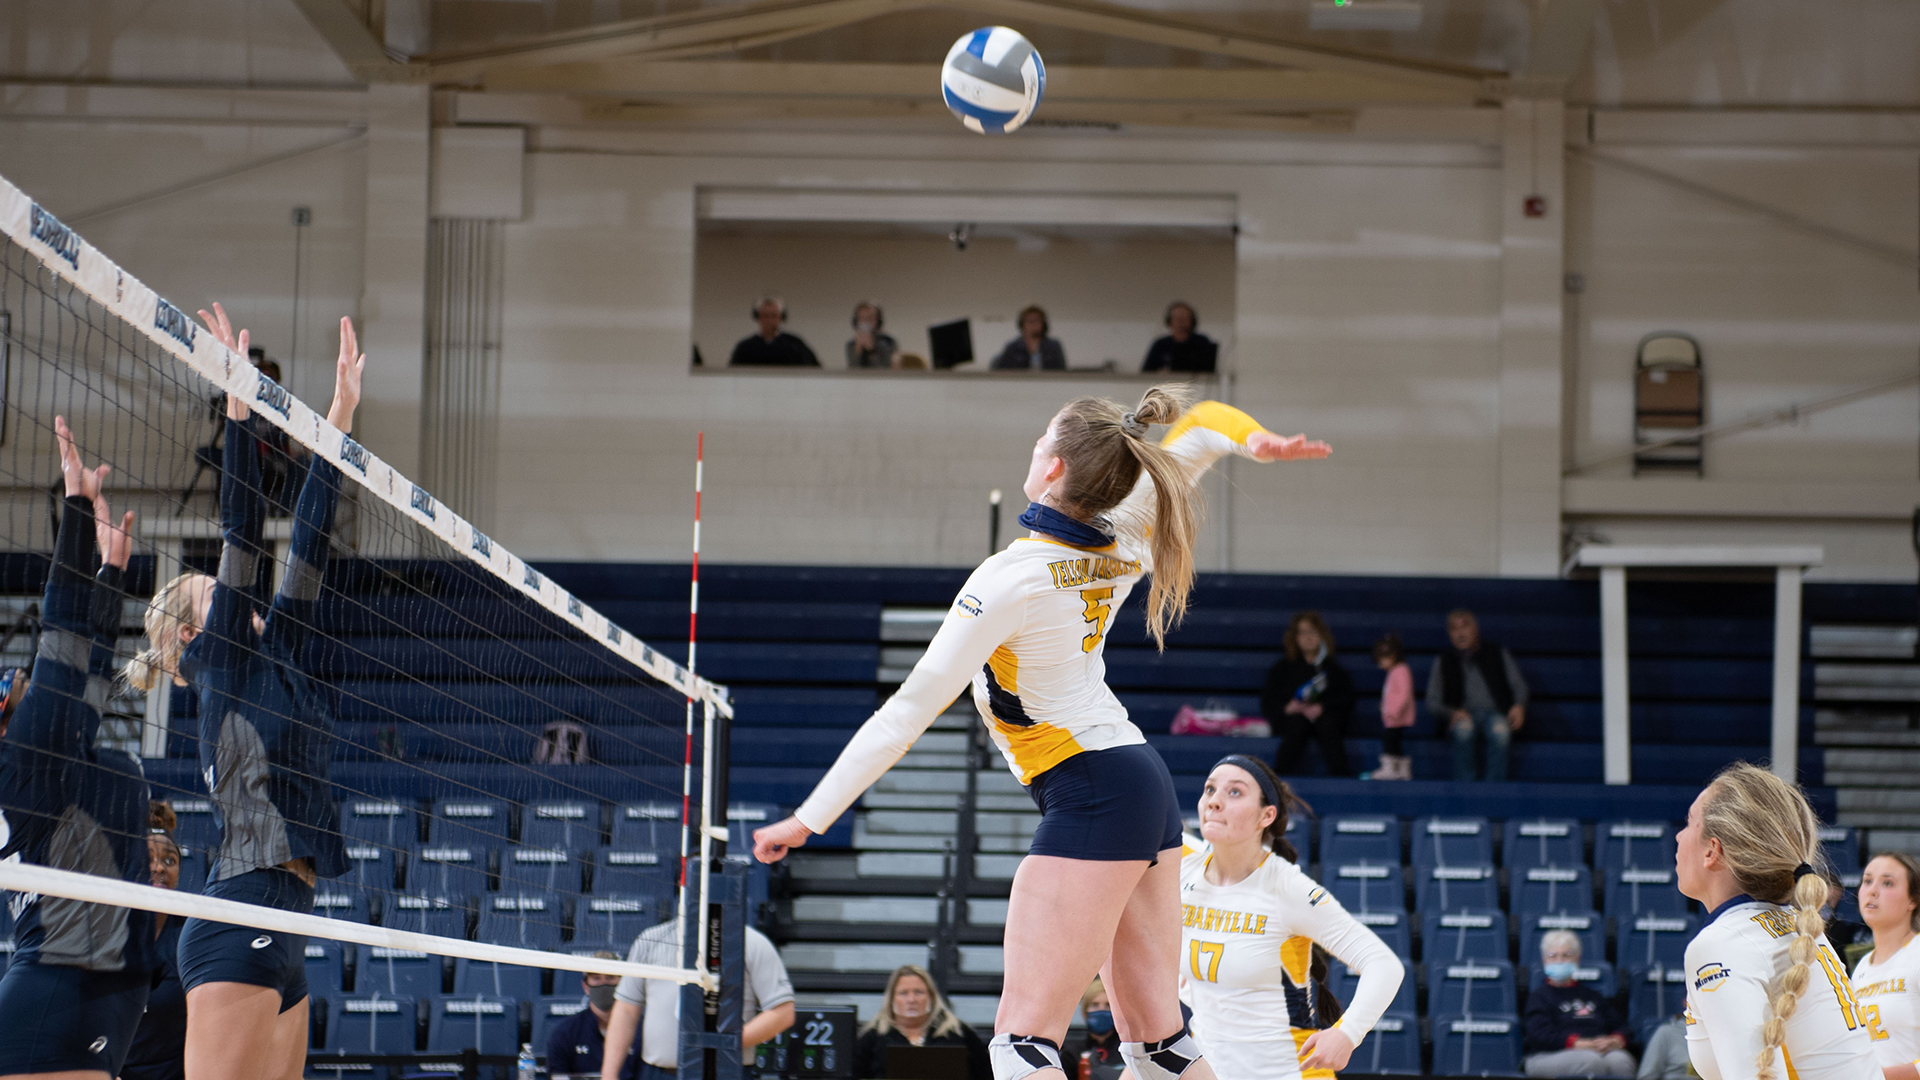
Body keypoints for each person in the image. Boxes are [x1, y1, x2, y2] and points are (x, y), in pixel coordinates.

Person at [750, 388, 1329, 1080]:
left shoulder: (1010, 579)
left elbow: (906, 713)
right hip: (1137, 781)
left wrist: (809, 818)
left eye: (1037, 442)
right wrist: (1255, 438)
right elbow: (1202, 430)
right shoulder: (1125, 533)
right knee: (1159, 1043)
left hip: (1090, 791)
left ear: (1054, 468)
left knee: (1022, 1044)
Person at [123, 304, 361, 1080]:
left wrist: (339, 418)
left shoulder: (278, 650)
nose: (243, 603)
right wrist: (236, 409)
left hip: (287, 916)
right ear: (192, 637)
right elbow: (242, 533)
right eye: (217, 600)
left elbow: (312, 539)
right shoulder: (220, 662)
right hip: (243, 912)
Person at [0, 417, 159, 1080]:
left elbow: (87, 674)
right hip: (61, 983)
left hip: (103, 985)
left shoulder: (53, 753)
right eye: (15, 690)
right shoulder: (23, 759)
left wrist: (111, 573)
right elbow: (62, 640)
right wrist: (70, 506)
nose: (26, 686)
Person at [1180, 755, 1403, 1080]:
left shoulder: (1286, 888)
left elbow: (1383, 964)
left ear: (1266, 816)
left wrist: (1348, 1033)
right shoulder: (1183, 868)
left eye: (1234, 793)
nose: (1214, 802)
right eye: (1210, 789)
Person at [1675, 762, 1879, 1080]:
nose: (1678, 835)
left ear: (1712, 851)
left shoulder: (1724, 942)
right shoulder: (1797, 925)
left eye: (1689, 823)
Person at [602, 916, 795, 1080]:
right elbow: (626, 1010)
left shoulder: (752, 942)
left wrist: (725, 1042)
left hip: (725, 1073)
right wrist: (608, 1077)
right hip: (660, 1073)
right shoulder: (651, 940)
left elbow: (783, 1013)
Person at [123, 803, 189, 1080]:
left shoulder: (191, 935)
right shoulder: (105, 933)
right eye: (148, 858)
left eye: (169, 860)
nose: (159, 867)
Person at [1425, 609, 1529, 782]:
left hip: (1496, 713)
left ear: (1476, 629)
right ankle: (1465, 790)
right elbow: (1431, 701)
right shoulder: (1443, 660)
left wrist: (1519, 706)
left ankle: (1493, 792)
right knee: (1463, 731)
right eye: (1454, 629)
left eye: (1464, 627)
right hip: (1463, 714)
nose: (1460, 633)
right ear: (1449, 634)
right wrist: (1451, 713)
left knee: (1501, 732)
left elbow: (1520, 687)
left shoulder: (1497, 652)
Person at [1522, 930, 1634, 1078]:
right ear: (1544, 961)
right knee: (1590, 1061)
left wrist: (1615, 1040)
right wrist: (1577, 1043)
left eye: (1566, 955)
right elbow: (1539, 1035)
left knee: (1621, 1061)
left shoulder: (1593, 996)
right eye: (1553, 956)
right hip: (1547, 1055)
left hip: (1595, 1050)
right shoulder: (1539, 997)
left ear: (1577, 959)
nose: (1559, 960)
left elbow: (1621, 1026)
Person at [1850, 852, 1920, 1080]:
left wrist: (1884, 1077)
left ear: (1913, 899)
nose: (1872, 890)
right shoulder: (1861, 968)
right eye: (1867, 881)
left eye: (1887, 883)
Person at [853, 965, 989, 1080]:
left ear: (931, 997)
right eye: (903, 993)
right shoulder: (872, 1038)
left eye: (918, 992)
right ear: (892, 998)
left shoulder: (958, 1034)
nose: (911, 999)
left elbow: (986, 1074)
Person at [1264, 613, 1353, 778]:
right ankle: (1278, 779)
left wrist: (1322, 707)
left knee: (1327, 725)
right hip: (1292, 721)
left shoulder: (1333, 670)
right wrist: (1288, 708)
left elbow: (1346, 700)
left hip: (1325, 721)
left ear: (1321, 635)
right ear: (1295, 637)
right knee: (1297, 724)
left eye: (1312, 631)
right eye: (1302, 632)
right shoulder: (1281, 669)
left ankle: (1342, 777)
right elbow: (1269, 702)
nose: (1308, 637)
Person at [546, 951, 637, 1080]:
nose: (603, 984)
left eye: (610, 978)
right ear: (586, 986)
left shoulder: (640, 1030)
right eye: (596, 978)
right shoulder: (565, 1032)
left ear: (622, 984)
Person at [1370, 633, 1414, 781]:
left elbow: (1404, 694)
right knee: (1394, 743)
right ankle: (1400, 770)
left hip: (1396, 717)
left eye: (1381, 660)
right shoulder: (1395, 671)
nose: (1379, 664)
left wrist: (1394, 711)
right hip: (1392, 717)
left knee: (1390, 742)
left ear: (1392, 655)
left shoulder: (1401, 671)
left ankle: (1392, 769)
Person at [730, 297, 819, 366]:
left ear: (781, 317)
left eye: (774, 316)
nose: (769, 320)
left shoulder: (794, 345)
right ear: (757, 317)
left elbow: (813, 369)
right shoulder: (746, 347)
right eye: (765, 316)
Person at [1065, 980, 1122, 1077]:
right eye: (1095, 1005)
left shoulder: (1126, 1051)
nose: (1101, 1010)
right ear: (1085, 1010)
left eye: (1108, 1005)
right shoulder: (1071, 1053)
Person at [1141, 303, 1217, 374]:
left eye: (1184, 319)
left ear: (1192, 321)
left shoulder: (1201, 342)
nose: (1180, 323)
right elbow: (1146, 372)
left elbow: (1209, 372)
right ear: (1169, 321)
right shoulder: (1160, 344)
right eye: (1177, 319)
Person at [990, 306, 1066, 370]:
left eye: (1037, 320)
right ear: (1022, 324)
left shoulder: (1053, 346)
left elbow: (1061, 368)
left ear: (1043, 324)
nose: (1033, 324)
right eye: (1030, 321)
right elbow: (1003, 369)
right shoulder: (1013, 347)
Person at [846, 302, 899, 369]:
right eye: (862, 318)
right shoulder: (851, 344)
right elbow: (852, 369)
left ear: (879, 321)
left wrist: (871, 350)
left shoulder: (888, 342)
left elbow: (887, 371)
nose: (866, 322)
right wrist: (857, 351)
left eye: (870, 318)